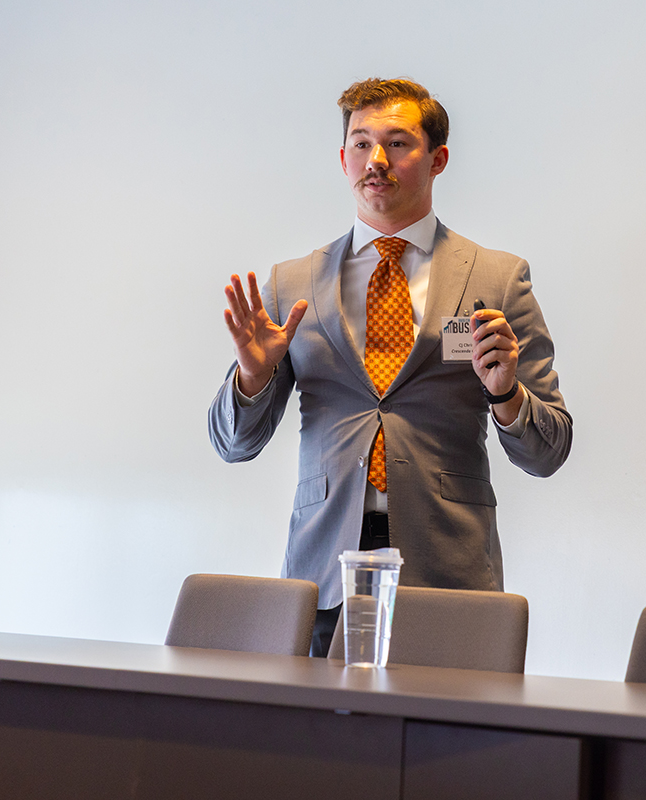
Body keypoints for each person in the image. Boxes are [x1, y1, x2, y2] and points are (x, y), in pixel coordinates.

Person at [209, 78, 572, 656]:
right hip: (323, 581)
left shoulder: (497, 280)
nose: (376, 161)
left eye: (398, 143)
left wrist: (506, 395)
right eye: (361, 143)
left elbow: (548, 452)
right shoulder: (291, 285)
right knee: (321, 746)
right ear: (343, 157)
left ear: (438, 158)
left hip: (449, 577)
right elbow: (234, 444)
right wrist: (252, 380)